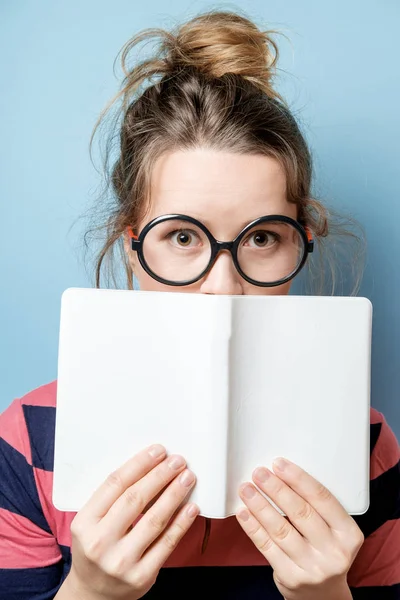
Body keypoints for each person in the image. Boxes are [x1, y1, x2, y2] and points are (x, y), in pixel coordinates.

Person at [0, 8, 399, 600]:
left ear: (302, 242)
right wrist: (90, 591)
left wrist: (325, 596)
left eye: (262, 238)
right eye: (182, 237)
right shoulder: (30, 442)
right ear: (133, 246)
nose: (221, 286)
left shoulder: (365, 447)